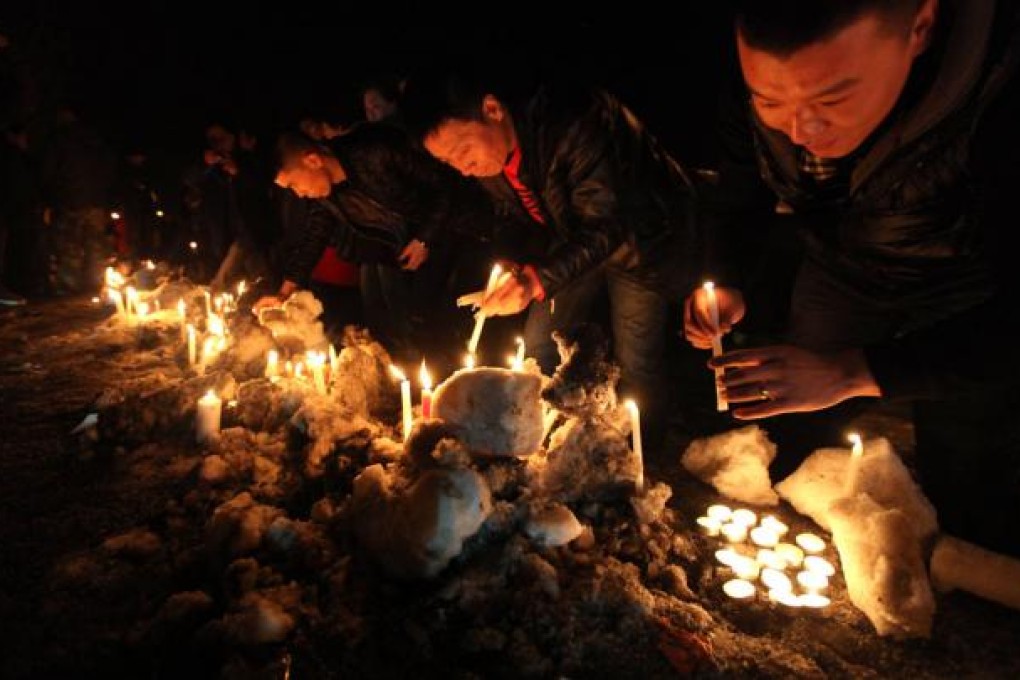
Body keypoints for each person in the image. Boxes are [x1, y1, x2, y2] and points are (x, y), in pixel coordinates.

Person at [684, 0, 1020, 554]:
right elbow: (735, 193)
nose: (799, 128)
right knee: (792, 426)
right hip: (841, 271)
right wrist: (723, 278)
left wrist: (855, 371)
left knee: (965, 458)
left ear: (921, 27)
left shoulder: (1000, 104)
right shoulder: (769, 72)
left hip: (969, 293)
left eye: (832, 98)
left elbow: (1013, 327)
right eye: (769, 100)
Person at [402, 66, 701, 442]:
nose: (463, 169)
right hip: (574, 241)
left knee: (636, 355)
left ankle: (646, 449)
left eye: (462, 151)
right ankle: (532, 438)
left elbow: (609, 222)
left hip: (640, 243)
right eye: (449, 162)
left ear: (492, 109)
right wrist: (513, 262)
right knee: (538, 343)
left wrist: (537, 279)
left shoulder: (575, 121)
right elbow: (514, 215)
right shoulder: (491, 158)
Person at [254, 125, 484, 360]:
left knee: (452, 328)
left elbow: (444, 183)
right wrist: (285, 292)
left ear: (312, 161)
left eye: (293, 185)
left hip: (462, 237)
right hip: (410, 255)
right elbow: (315, 235)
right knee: (407, 329)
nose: (299, 194)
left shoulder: (374, 151)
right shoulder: (326, 195)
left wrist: (424, 238)